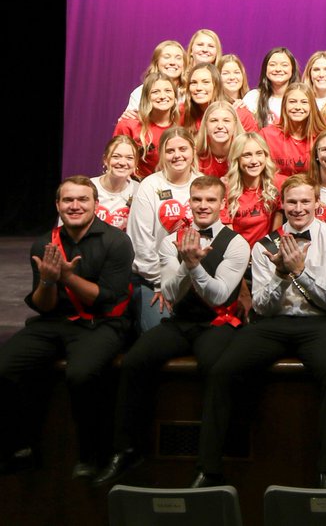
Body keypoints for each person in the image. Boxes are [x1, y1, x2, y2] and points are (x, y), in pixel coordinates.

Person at [194, 174, 326, 488]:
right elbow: (262, 308)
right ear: (282, 204)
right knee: (223, 369)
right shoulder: (265, 244)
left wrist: (300, 272)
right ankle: (208, 469)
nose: (298, 208)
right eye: (292, 202)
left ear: (317, 204)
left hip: (319, 323)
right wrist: (281, 274)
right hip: (273, 324)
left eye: (305, 201)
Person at [92, 176, 250, 487]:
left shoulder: (237, 243)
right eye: (197, 200)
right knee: (135, 360)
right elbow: (170, 293)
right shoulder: (169, 241)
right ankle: (126, 450)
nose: (203, 206)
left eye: (210, 200)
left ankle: (210, 465)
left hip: (217, 322)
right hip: (181, 321)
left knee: (217, 369)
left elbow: (219, 296)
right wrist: (185, 264)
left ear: (223, 204)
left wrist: (194, 267)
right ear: (189, 203)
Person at [0, 177, 134, 477]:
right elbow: (43, 305)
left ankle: (92, 453)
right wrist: (48, 280)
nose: (75, 206)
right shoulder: (43, 243)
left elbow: (106, 299)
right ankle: (20, 446)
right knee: (4, 366)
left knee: (82, 374)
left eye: (82, 199)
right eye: (68, 200)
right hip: (53, 321)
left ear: (95, 205)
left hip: (101, 323)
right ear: (58, 205)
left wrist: (67, 277)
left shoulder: (116, 241)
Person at [127, 127, 201, 333]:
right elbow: (140, 243)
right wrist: (162, 284)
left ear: (193, 150)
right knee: (159, 333)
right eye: (170, 151)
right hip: (154, 280)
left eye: (183, 149)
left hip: (195, 278)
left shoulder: (202, 183)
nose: (177, 155)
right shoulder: (149, 186)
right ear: (161, 154)